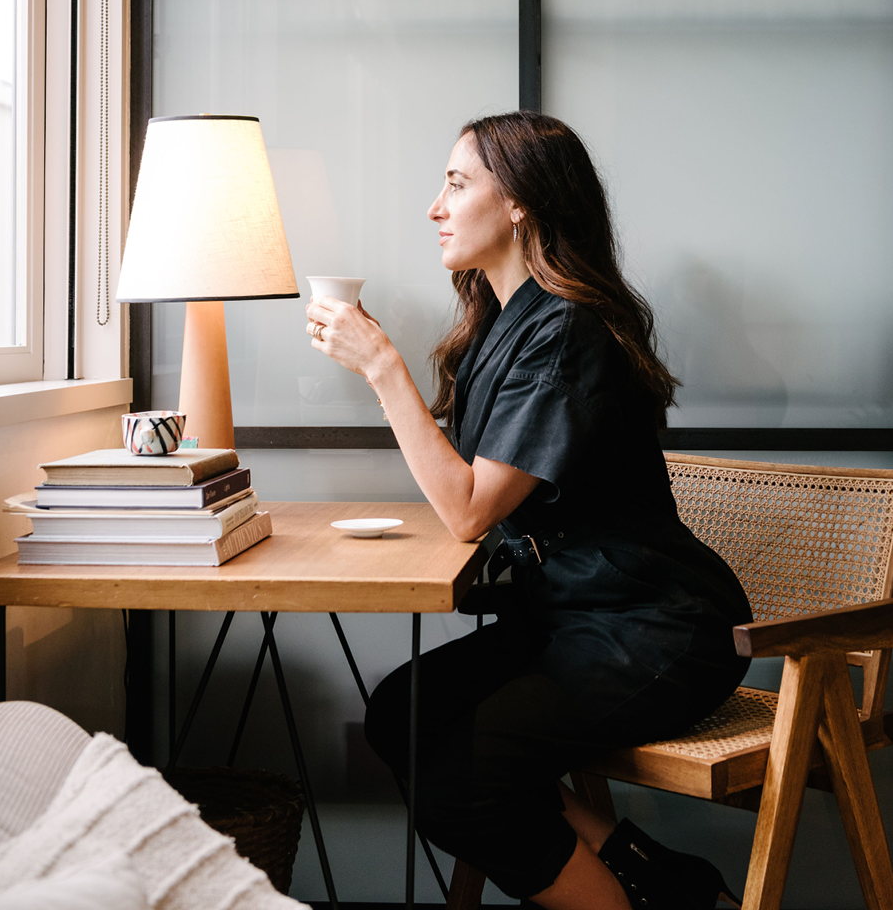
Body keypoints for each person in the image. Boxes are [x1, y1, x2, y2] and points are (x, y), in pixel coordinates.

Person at [304, 111, 753, 910]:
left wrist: (382, 368)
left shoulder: (567, 330)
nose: (435, 207)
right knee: (401, 714)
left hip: (654, 627)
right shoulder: (502, 325)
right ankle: (649, 869)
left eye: (456, 182)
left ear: (520, 203)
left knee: (458, 786)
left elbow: (469, 511)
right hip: (571, 617)